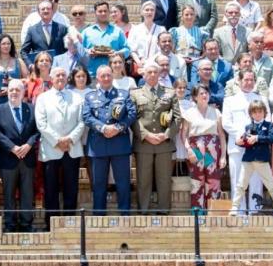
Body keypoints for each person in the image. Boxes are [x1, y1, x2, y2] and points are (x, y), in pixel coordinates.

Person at [82, 65, 137, 215]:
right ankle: (99, 215)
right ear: (97, 78)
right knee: (99, 184)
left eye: (108, 75)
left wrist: (118, 127)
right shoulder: (90, 96)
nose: (106, 78)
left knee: (123, 182)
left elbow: (131, 114)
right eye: (103, 76)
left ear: (112, 76)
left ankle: (125, 214)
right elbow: (86, 117)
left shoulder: (123, 95)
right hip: (98, 146)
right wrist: (103, 128)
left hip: (120, 145)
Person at [37, 67, 85, 228]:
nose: (60, 77)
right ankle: (51, 224)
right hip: (51, 149)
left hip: (72, 149)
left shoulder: (77, 97)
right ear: (51, 77)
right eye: (57, 75)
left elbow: (82, 122)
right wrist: (58, 141)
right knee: (51, 188)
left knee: (71, 187)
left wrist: (69, 139)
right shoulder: (43, 98)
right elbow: (41, 123)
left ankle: (70, 223)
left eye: (63, 75)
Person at [130, 62, 181, 213]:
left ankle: (164, 210)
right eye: (149, 72)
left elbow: (177, 118)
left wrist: (166, 135)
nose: (152, 75)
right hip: (144, 143)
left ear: (159, 75)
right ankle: (143, 210)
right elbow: (132, 118)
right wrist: (146, 135)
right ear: (144, 75)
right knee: (143, 179)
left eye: (155, 72)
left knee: (164, 179)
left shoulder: (170, 93)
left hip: (164, 143)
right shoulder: (135, 94)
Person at [0, 80, 38, 232]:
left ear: (23, 92)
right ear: (7, 92)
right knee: (8, 194)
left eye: (17, 90)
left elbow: (37, 131)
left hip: (27, 158)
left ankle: (26, 224)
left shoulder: (31, 109)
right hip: (8, 158)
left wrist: (29, 145)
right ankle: (10, 224)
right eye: (11, 90)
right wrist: (12, 147)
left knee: (27, 193)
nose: (14, 93)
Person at [229, 100, 273, 215]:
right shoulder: (248, 126)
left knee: (271, 185)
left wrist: (257, 138)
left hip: (262, 160)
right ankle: (235, 207)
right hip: (248, 159)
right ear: (250, 114)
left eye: (260, 111)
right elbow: (245, 140)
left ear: (264, 112)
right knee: (241, 184)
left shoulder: (269, 125)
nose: (257, 114)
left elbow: (272, 139)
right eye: (254, 112)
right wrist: (239, 142)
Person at [221, 69, 267, 213]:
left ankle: (255, 212)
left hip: (257, 146)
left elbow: (268, 121)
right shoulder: (229, 100)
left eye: (252, 80)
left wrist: (256, 137)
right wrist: (243, 136)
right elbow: (226, 123)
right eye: (246, 80)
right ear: (239, 81)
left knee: (256, 180)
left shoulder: (261, 100)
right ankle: (239, 212)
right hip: (238, 146)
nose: (249, 83)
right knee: (237, 181)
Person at [180, 85, 225, 211]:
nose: (204, 95)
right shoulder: (189, 113)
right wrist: (189, 149)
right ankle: (197, 213)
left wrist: (222, 156)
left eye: (206, 93)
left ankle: (213, 212)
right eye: (201, 93)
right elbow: (183, 135)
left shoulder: (216, 112)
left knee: (213, 181)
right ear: (195, 97)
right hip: (196, 150)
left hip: (213, 150)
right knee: (197, 181)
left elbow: (221, 135)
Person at [81, 1, 131, 79]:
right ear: (95, 13)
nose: (103, 13)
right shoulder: (87, 32)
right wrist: (88, 52)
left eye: (105, 11)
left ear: (108, 12)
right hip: (92, 75)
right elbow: (79, 50)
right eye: (100, 11)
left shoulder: (117, 31)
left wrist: (117, 53)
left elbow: (127, 50)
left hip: (113, 75)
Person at [22, 0, 68, 64]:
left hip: (58, 68)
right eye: (43, 9)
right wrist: (30, 65)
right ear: (38, 12)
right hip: (40, 68)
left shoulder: (62, 29)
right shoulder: (32, 30)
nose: (46, 11)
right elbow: (24, 51)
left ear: (52, 11)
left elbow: (68, 50)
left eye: (48, 9)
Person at [0, 34, 28, 105]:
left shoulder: (19, 61)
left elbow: (28, 80)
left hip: (16, 99)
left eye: (8, 44)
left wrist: (15, 81)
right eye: (3, 44)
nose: (6, 46)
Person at [128, 1, 166, 75]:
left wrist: (150, 61)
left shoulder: (161, 29)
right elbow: (131, 49)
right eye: (147, 10)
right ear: (142, 12)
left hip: (156, 66)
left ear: (155, 13)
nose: (149, 12)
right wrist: (139, 62)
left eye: (152, 10)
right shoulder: (135, 29)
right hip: (140, 67)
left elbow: (163, 49)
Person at [170, 5, 206, 81]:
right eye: (186, 14)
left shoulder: (201, 32)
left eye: (191, 14)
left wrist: (198, 59)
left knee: (194, 85)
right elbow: (172, 50)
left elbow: (205, 51)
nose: (189, 17)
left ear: (195, 16)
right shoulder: (176, 31)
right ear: (182, 16)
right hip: (180, 62)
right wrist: (180, 59)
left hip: (196, 63)